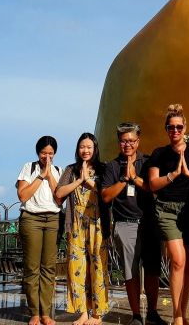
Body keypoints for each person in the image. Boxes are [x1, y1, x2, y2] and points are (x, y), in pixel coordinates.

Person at [147, 104, 189, 325]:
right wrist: (174, 174)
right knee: (177, 260)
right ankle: (176, 316)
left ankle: (182, 313)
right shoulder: (159, 154)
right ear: (166, 129)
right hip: (167, 209)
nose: (175, 131)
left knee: (188, 264)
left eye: (179, 127)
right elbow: (153, 184)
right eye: (171, 127)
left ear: (185, 128)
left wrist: (188, 174)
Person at [101, 122, 164, 325]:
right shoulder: (111, 166)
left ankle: (153, 312)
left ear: (138, 141)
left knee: (153, 271)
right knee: (131, 272)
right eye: (123, 141)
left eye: (130, 140)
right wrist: (123, 180)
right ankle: (136, 315)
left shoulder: (148, 162)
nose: (127, 144)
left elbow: (154, 188)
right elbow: (105, 196)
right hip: (125, 224)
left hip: (148, 222)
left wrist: (135, 178)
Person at [55, 133, 110, 325]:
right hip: (76, 224)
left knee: (98, 267)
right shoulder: (71, 170)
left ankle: (98, 313)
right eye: (82, 147)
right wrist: (80, 180)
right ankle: (83, 312)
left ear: (95, 149)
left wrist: (90, 182)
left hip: (98, 224)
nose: (85, 150)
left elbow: (107, 195)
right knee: (76, 268)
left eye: (89, 147)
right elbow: (59, 195)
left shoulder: (104, 169)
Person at [16, 136, 63, 325]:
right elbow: (23, 195)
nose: (47, 156)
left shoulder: (59, 171)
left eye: (51, 153)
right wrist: (41, 175)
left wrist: (50, 174)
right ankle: (34, 312)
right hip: (31, 218)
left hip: (53, 219)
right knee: (32, 267)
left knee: (49, 268)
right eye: (44, 153)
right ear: (38, 152)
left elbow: (59, 198)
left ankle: (46, 312)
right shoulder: (29, 167)